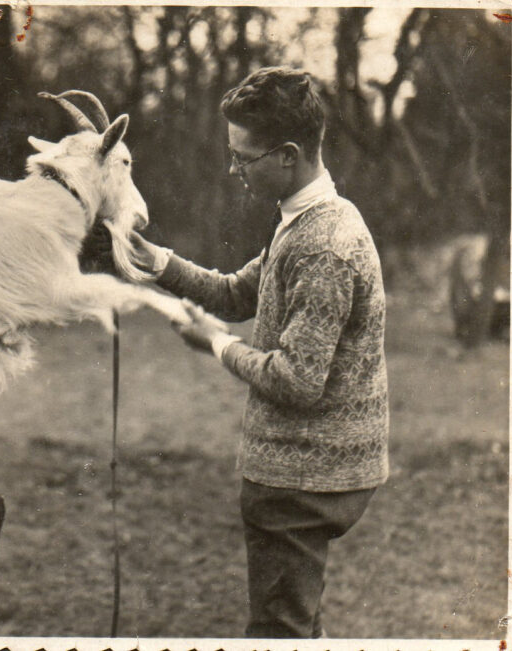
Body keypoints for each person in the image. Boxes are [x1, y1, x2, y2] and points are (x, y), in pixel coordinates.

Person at [101, 66, 390, 638]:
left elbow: (296, 380)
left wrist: (215, 344)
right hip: (310, 472)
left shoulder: (324, 246)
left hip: (304, 481)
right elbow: (238, 293)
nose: (233, 169)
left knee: (279, 633)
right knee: (298, 625)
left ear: (287, 155)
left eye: (243, 156)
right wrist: (156, 260)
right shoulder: (304, 220)